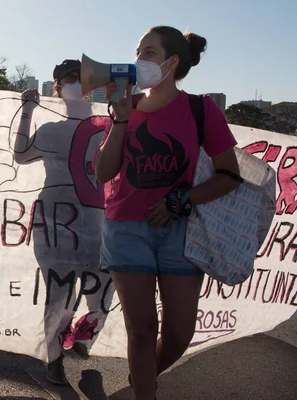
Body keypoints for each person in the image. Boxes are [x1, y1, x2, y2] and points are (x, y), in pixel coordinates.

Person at [93, 26, 241, 400]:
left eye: (150, 53)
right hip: (126, 228)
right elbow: (103, 172)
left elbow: (229, 176)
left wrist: (180, 202)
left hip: (181, 233)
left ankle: (141, 376)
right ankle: (146, 391)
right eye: (138, 52)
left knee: (179, 333)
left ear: (172, 63)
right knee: (141, 329)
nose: (140, 60)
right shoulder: (128, 106)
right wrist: (121, 120)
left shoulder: (200, 108)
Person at [20, 59, 104, 386]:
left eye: (80, 79)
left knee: (102, 289)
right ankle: (54, 361)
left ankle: (80, 336)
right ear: (57, 89)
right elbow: (21, 154)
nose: (74, 84)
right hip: (55, 220)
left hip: (95, 219)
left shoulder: (107, 129)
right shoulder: (52, 130)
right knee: (60, 294)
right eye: (67, 80)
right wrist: (27, 110)